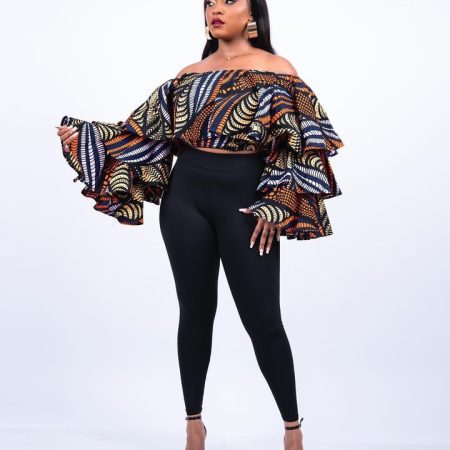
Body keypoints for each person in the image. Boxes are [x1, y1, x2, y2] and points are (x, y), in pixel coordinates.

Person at [56, 1, 344, 449]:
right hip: (185, 198)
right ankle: (194, 423)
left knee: (263, 319)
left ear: (253, 11)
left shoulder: (278, 70)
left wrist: (276, 202)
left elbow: (298, 144)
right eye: (210, 1)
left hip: (245, 202)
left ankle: (292, 429)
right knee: (194, 312)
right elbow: (142, 135)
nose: (216, 9)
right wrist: (86, 138)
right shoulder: (188, 75)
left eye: (229, 0)